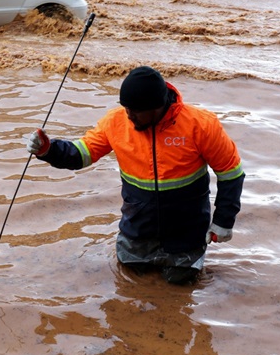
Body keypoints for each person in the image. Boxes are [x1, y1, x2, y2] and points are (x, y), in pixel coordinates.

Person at [26, 66, 244, 284]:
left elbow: (231, 173)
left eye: (136, 110)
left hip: (186, 236)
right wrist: (49, 150)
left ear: (157, 106)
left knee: (180, 283)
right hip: (136, 232)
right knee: (129, 280)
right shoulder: (116, 121)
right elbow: (82, 154)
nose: (129, 115)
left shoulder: (201, 125)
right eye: (126, 107)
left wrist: (223, 221)